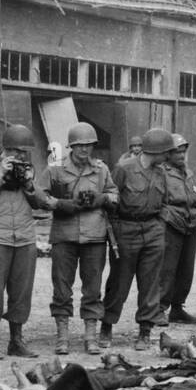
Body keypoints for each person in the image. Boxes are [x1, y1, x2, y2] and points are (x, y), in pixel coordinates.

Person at [0, 124, 53, 360]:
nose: (20, 156)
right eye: (16, 151)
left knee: (21, 292)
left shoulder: (28, 168)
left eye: (24, 151)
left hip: (24, 236)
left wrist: (28, 183)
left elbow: (41, 202)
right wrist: (0, 174)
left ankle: (16, 340)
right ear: (4, 149)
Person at [42, 121, 118, 355]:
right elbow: (39, 195)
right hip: (64, 235)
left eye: (89, 146)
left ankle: (90, 337)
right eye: (80, 146)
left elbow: (115, 194)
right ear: (71, 147)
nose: (85, 150)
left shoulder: (101, 169)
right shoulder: (56, 170)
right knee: (62, 288)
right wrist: (60, 203)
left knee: (92, 288)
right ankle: (62, 337)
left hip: (94, 236)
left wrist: (102, 198)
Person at [99, 128, 170, 349]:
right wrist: (115, 231)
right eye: (165, 152)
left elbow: (166, 202)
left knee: (150, 283)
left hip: (153, 229)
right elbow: (110, 198)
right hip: (126, 229)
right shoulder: (123, 168)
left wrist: (160, 225)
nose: (167, 155)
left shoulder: (161, 172)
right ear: (155, 151)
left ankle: (145, 331)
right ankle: (107, 326)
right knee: (119, 282)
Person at [158, 134, 196, 324]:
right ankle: (159, 308)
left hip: (191, 224)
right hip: (171, 225)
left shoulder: (188, 173)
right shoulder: (160, 172)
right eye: (177, 151)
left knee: (186, 269)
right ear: (167, 153)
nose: (181, 155)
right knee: (167, 269)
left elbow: (193, 196)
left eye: (183, 151)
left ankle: (177, 308)